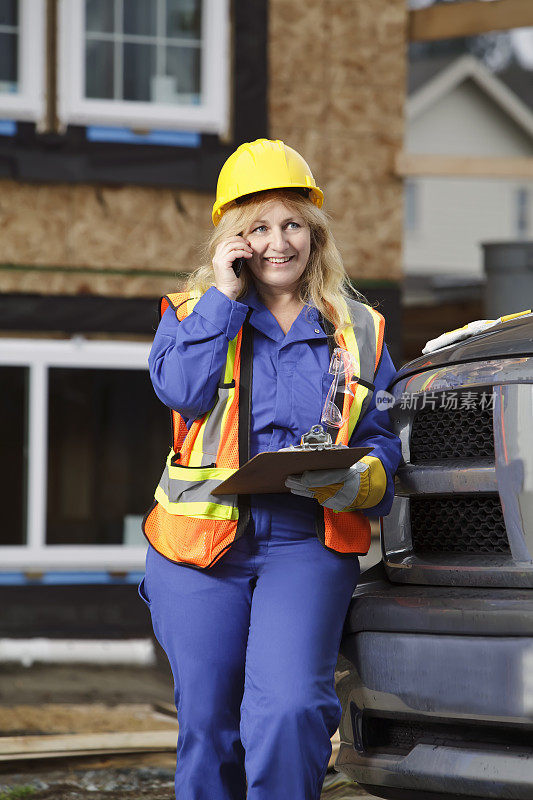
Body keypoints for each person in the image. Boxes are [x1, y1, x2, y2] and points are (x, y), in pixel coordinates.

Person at [139, 138, 402, 800]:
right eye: (257, 228)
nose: (277, 242)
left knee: (288, 711)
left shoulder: (358, 330)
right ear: (233, 239)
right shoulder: (192, 314)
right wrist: (225, 298)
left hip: (304, 544)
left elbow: (382, 439)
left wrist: (361, 479)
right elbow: (183, 392)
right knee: (208, 726)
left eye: (292, 225)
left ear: (314, 234)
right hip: (198, 549)